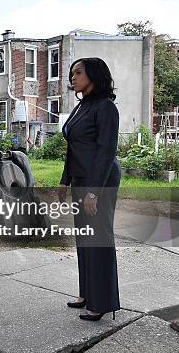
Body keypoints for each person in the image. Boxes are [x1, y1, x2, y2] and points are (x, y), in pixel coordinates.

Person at [58, 57, 121, 321]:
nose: (72, 78)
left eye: (78, 73)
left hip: (100, 180)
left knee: (98, 240)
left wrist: (94, 191)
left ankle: (102, 303)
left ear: (93, 75)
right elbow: (73, 149)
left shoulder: (106, 108)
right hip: (80, 179)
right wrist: (65, 180)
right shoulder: (80, 107)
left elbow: (106, 152)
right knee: (84, 240)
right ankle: (86, 294)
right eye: (71, 73)